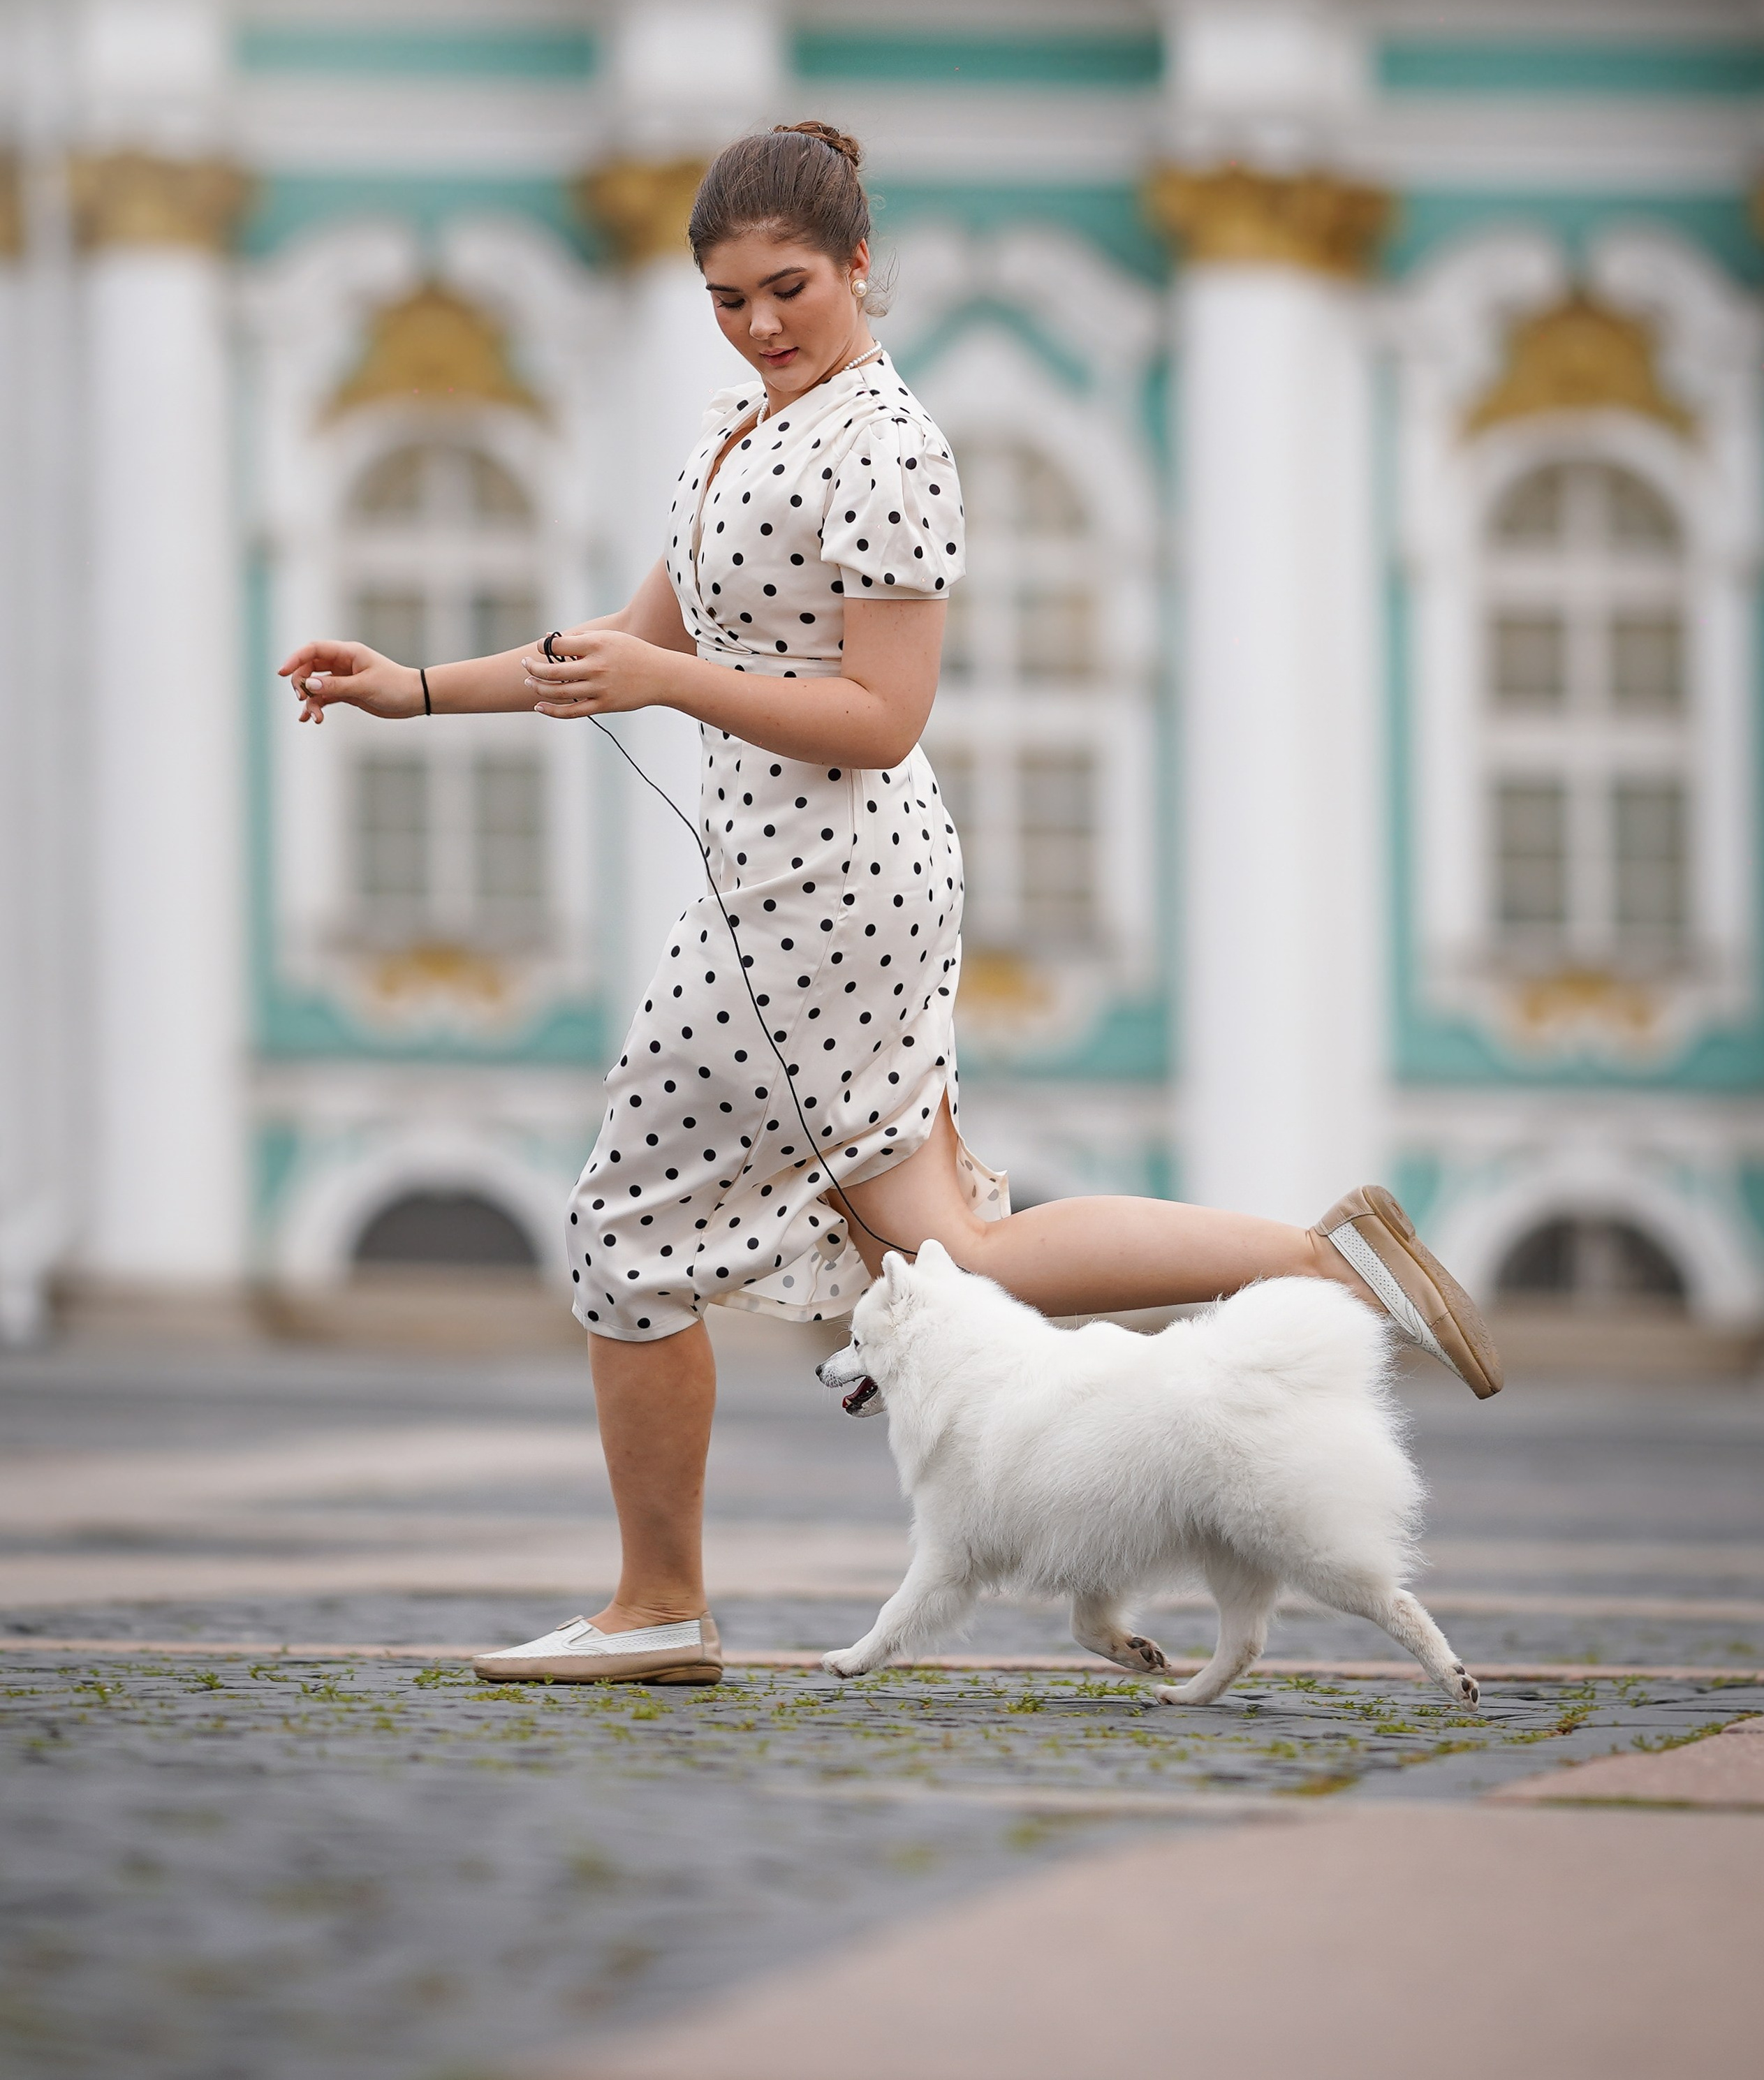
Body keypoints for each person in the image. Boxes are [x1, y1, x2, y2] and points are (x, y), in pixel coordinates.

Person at [279, 121, 1502, 1690]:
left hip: (827, 884)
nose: (759, 322)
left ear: (861, 265)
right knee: (949, 1248)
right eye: (726, 299)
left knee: (619, 1238)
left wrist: (667, 681)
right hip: (772, 885)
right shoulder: (737, 434)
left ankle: (659, 1608)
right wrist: (417, 688)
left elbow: (881, 713)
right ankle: (1328, 1268)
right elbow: (620, 645)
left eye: (786, 287)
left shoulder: (890, 445)